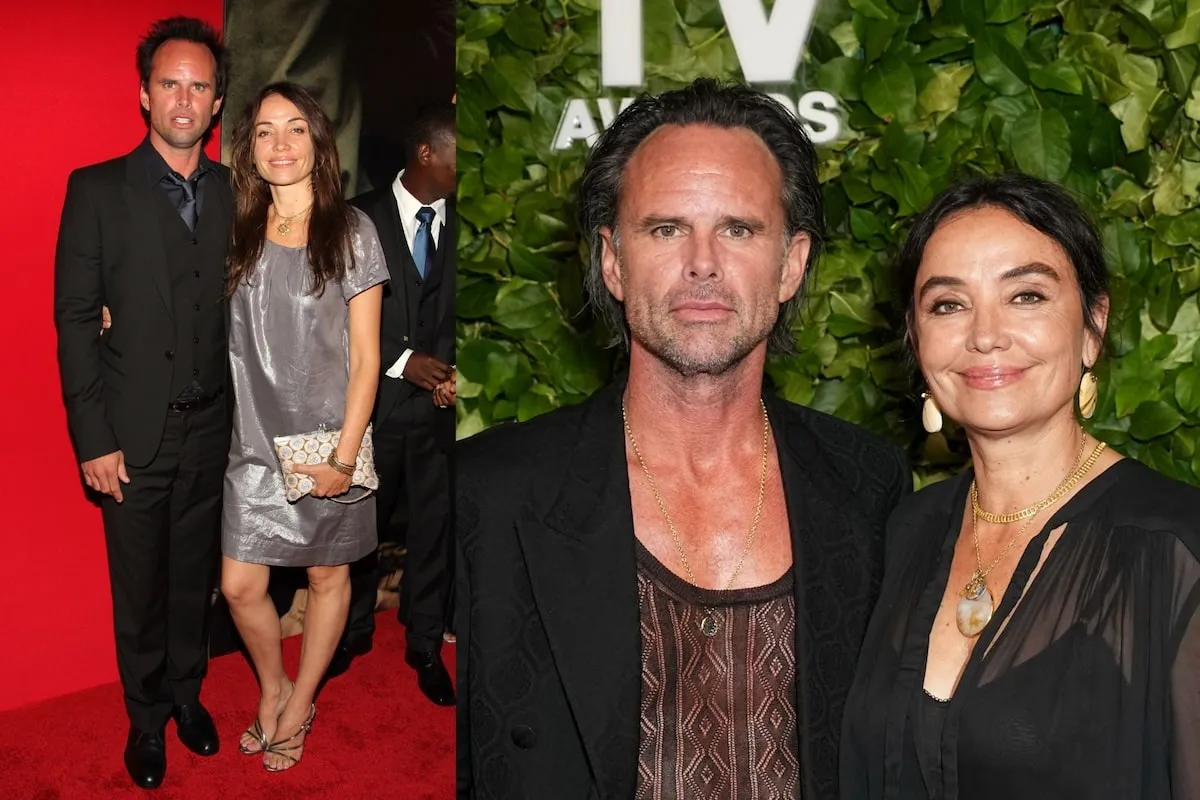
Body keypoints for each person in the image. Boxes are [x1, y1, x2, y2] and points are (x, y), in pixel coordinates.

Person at [457, 78, 912, 799]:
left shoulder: (870, 486)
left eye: (739, 229)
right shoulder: (491, 492)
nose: (703, 262)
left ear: (791, 264)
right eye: (666, 229)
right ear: (612, 261)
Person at [840, 173, 1200, 799]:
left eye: (1026, 296)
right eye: (948, 304)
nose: (985, 335)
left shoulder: (1177, 550)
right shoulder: (904, 532)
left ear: (1092, 325)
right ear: (917, 339)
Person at [53, 17, 230, 789]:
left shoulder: (236, 191)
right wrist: (92, 437)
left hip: (213, 428)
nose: (183, 98)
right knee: (140, 586)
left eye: (198, 85)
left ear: (217, 102)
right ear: (143, 94)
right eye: (169, 83)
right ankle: (145, 716)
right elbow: (73, 319)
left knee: (195, 578)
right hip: (130, 431)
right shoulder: (95, 190)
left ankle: (190, 696)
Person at [218, 81, 387, 772]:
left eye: (294, 129)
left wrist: (344, 460)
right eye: (264, 130)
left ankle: (301, 699)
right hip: (252, 444)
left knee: (325, 579)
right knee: (239, 586)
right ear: (249, 148)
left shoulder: (351, 231)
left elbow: (368, 358)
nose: (279, 144)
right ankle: (274, 683)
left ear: (318, 142)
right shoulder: (234, 228)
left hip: (327, 443)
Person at [328, 103, 457, 706]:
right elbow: (330, 317)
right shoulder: (359, 219)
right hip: (372, 409)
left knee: (435, 533)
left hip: (441, 417)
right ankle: (349, 632)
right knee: (359, 531)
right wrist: (404, 363)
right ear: (426, 153)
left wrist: (463, 374)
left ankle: (425, 641)